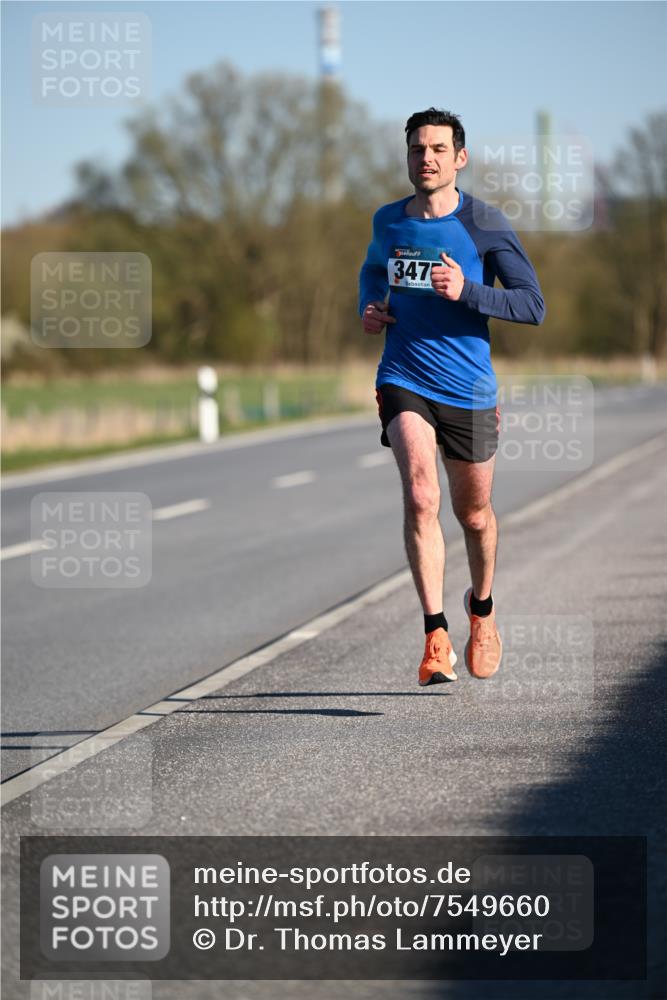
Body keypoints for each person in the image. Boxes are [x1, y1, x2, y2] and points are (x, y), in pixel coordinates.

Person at [359, 107, 545, 686]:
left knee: (473, 514)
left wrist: (468, 292)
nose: (427, 158)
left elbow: (531, 305)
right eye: (418, 149)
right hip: (404, 374)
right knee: (420, 495)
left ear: (459, 158)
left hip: (467, 386)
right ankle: (434, 633)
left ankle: (481, 611)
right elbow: (372, 271)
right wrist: (371, 307)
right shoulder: (388, 220)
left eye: (439, 149)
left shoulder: (484, 224)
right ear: (408, 156)